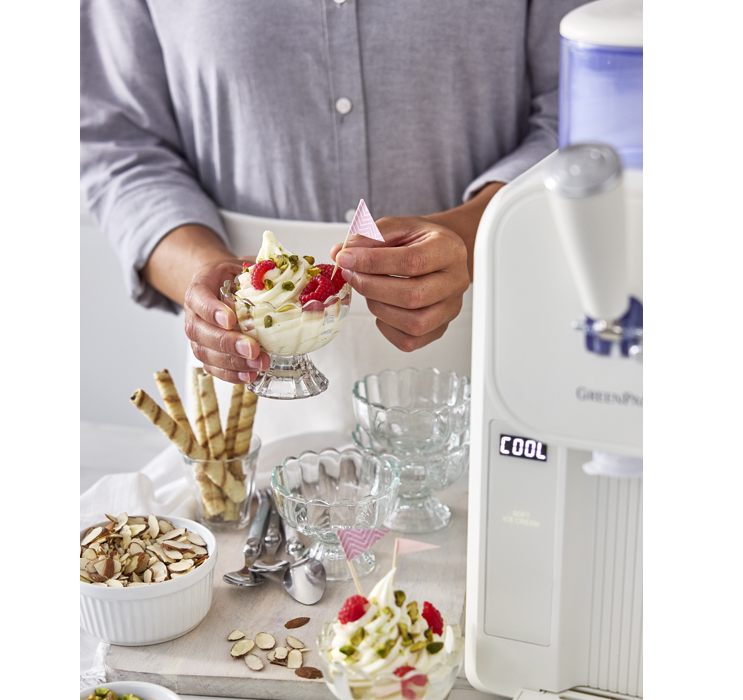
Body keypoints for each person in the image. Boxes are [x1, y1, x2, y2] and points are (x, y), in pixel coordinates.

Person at [82, 0, 588, 440]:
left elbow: (583, 108)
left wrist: (475, 232)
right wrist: (203, 276)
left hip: (486, 346)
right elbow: (120, 143)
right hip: (249, 390)